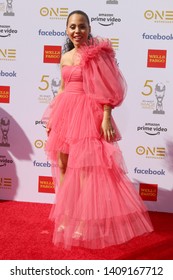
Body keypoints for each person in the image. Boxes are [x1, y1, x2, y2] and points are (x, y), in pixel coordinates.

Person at [43, 10, 153, 250]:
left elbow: (108, 88)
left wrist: (106, 117)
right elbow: (62, 88)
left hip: (87, 114)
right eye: (72, 26)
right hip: (65, 113)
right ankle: (68, 214)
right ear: (66, 29)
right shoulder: (65, 56)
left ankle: (83, 220)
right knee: (62, 165)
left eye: (82, 26)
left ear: (89, 28)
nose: (77, 31)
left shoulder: (95, 55)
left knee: (83, 170)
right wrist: (52, 117)